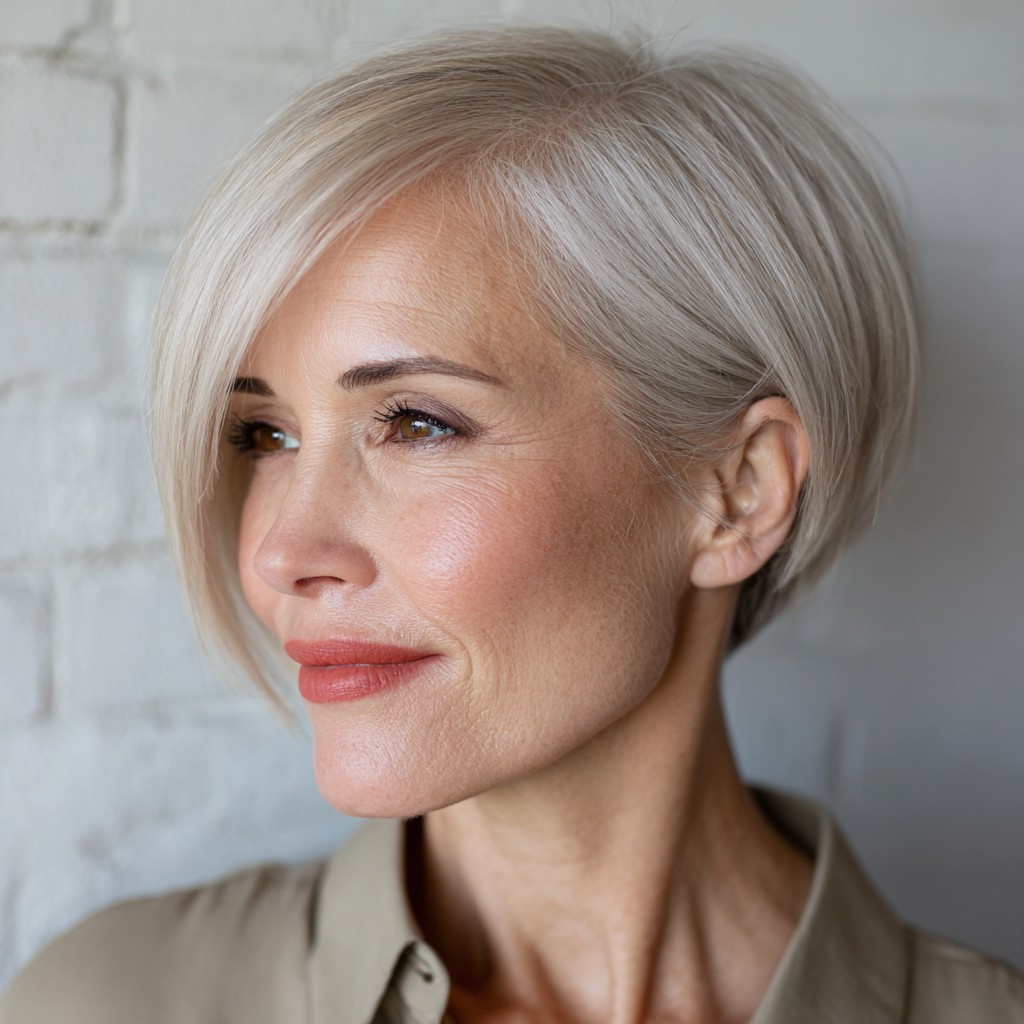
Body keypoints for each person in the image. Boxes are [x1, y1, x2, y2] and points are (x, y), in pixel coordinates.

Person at [2, 24, 1022, 1024]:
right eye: (265, 434)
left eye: (414, 423)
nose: (279, 552)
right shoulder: (108, 1001)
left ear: (736, 490)